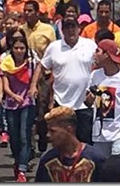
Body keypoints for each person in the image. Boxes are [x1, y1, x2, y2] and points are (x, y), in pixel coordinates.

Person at [31, 16, 97, 144]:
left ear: (79, 29)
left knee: (84, 141)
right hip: (61, 102)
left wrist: (95, 91)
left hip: (84, 104)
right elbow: (42, 66)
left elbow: (99, 66)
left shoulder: (90, 45)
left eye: (73, 27)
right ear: (62, 30)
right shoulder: (54, 47)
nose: (70, 30)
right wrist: (33, 85)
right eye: (67, 27)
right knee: (61, 141)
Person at [85, 39, 120, 156]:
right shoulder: (95, 75)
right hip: (99, 135)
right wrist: (92, 94)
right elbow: (88, 103)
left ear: (107, 55)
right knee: (102, 170)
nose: (94, 54)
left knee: (118, 167)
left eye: (97, 51)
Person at [0, 34, 36, 182]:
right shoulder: (7, 63)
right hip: (11, 104)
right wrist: (13, 96)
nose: (19, 51)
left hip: (28, 103)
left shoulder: (31, 62)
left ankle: (22, 169)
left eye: (22, 48)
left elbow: (36, 77)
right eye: (16, 48)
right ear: (12, 49)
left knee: (24, 136)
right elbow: (5, 85)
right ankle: (17, 160)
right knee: (14, 138)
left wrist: (32, 91)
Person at [35, 106, 107, 182]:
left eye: (53, 131)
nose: (48, 135)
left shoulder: (95, 159)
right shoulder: (47, 160)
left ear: (69, 129)